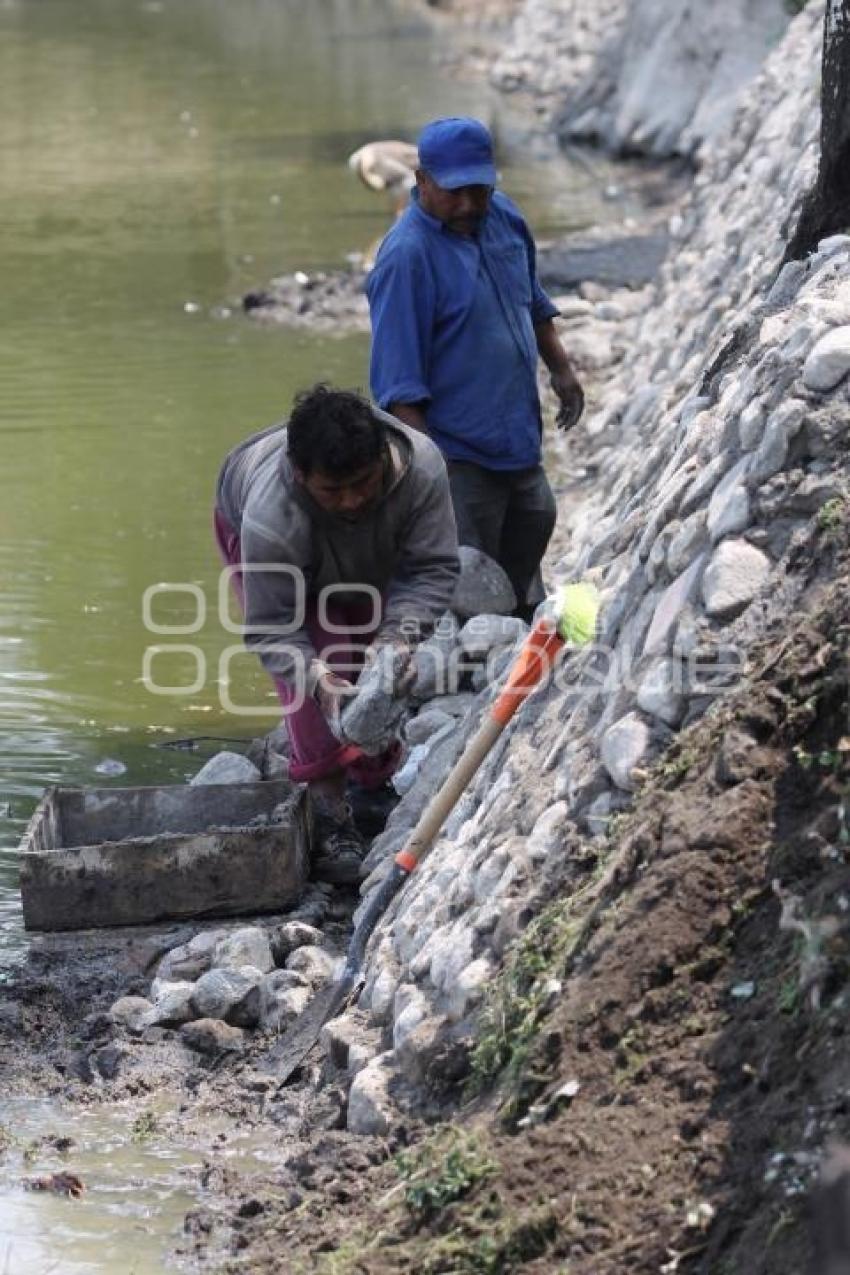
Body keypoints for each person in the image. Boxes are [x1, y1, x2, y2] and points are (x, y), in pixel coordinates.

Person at [214, 384, 459, 884]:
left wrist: (398, 639)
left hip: (374, 549)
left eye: (363, 483)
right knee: (318, 668)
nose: (351, 500)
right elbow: (273, 628)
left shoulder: (422, 468)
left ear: (382, 462)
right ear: (302, 477)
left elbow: (431, 569)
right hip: (259, 529)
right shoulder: (271, 516)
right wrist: (320, 678)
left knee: (377, 657)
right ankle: (328, 808)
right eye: (334, 490)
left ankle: (372, 783)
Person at [366, 115, 584, 622]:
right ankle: (477, 676)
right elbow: (398, 385)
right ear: (422, 182)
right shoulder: (406, 258)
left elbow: (531, 298)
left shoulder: (503, 218)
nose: (468, 205)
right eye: (454, 192)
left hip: (515, 433)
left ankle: (526, 635)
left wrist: (561, 369)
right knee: (470, 572)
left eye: (478, 191)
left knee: (536, 520)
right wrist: (431, 473)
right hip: (457, 453)